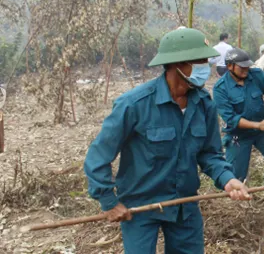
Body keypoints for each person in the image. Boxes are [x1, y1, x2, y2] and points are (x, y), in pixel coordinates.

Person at [83, 28, 252, 254]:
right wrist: (108, 201)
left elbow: (210, 154)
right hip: (141, 208)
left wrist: (228, 179)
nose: (206, 68)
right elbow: (98, 156)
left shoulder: (204, 105)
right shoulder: (134, 104)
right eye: (199, 61)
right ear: (177, 65)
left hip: (185, 205)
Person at [213, 48, 264, 183]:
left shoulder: (256, 75)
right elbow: (230, 118)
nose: (246, 70)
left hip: (263, 130)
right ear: (229, 66)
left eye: (247, 66)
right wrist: (257, 125)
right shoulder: (220, 88)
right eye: (242, 67)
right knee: (235, 177)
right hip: (239, 136)